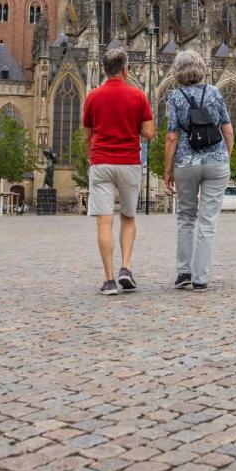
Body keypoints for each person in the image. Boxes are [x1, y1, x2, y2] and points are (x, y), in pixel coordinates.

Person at [82, 46, 155, 296]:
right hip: (128, 163)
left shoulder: (92, 97)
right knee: (128, 217)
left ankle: (109, 280)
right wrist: (132, 125)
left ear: (104, 70)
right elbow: (149, 133)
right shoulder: (138, 96)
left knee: (104, 220)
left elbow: (88, 135)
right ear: (125, 69)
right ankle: (126, 268)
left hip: (101, 162)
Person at [163, 49, 233, 291]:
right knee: (207, 221)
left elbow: (172, 136)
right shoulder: (214, 92)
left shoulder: (175, 96)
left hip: (186, 163)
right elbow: (228, 130)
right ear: (200, 69)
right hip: (216, 162)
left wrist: (167, 169)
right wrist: (224, 157)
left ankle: (184, 273)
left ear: (177, 71)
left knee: (185, 218)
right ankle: (200, 278)